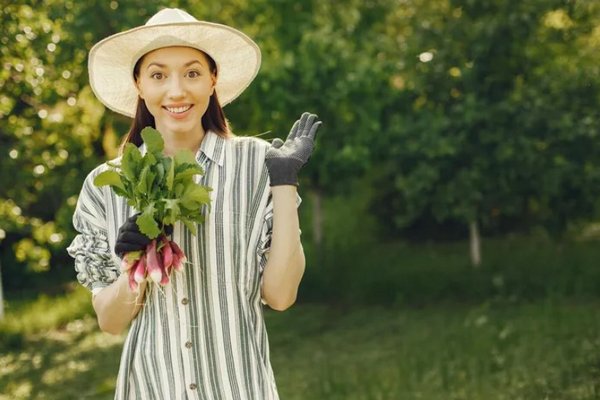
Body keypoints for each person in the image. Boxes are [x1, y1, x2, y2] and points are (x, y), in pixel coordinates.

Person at [66, 7, 321, 400]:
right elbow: (111, 322)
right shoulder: (107, 185)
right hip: (150, 388)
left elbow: (281, 296)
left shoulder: (260, 164)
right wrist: (135, 264)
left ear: (212, 79)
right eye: (157, 74)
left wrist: (284, 183)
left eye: (192, 72)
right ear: (138, 84)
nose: (177, 91)